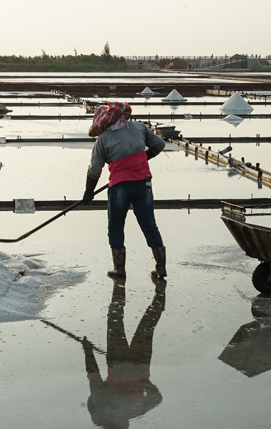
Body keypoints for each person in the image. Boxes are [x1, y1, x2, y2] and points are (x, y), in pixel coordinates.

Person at [83, 102, 167, 279]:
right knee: (149, 225)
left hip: (120, 186)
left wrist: (88, 192)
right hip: (143, 184)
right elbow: (159, 144)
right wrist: (142, 158)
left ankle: (119, 269)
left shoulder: (103, 138)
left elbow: (94, 170)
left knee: (116, 226)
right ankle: (160, 268)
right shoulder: (139, 128)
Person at [81, 278, 165, 429]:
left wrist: (143, 383)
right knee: (115, 320)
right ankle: (119, 283)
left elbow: (157, 399)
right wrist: (87, 350)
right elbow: (93, 375)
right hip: (118, 363)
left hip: (140, 367)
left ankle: (160, 289)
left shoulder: (134, 411)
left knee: (149, 323)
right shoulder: (101, 405)